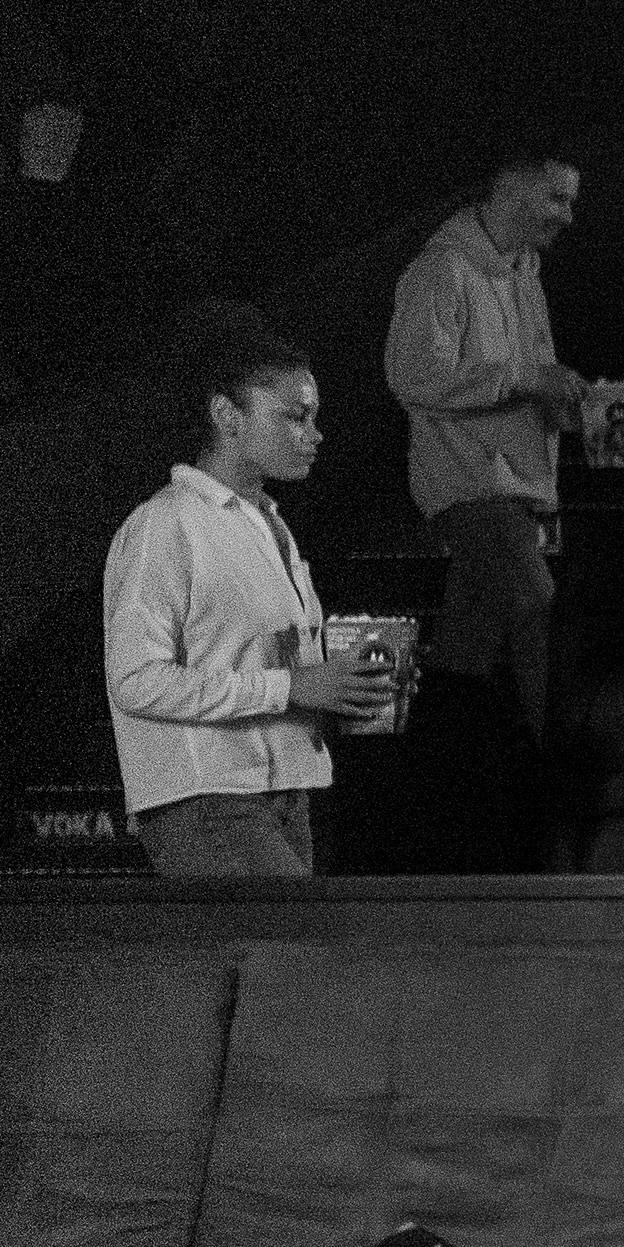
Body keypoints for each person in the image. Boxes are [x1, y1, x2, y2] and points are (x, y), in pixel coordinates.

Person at [99, 304, 393, 878]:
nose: (315, 434)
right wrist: (293, 686)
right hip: (207, 799)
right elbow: (135, 680)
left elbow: (284, 679)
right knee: (291, 960)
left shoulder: (268, 522)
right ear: (225, 415)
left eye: (313, 417)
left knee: (291, 962)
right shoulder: (166, 526)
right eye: (294, 417)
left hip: (284, 792)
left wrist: (343, 690)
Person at [383, 153, 585, 737]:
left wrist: (562, 402)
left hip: (514, 487)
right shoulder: (440, 270)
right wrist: (526, 380)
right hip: (472, 486)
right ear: (510, 190)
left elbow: (527, 373)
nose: (568, 216)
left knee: (469, 637)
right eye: (556, 197)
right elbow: (413, 374)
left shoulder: (523, 271)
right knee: (534, 608)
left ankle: (446, 764)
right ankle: (540, 759)